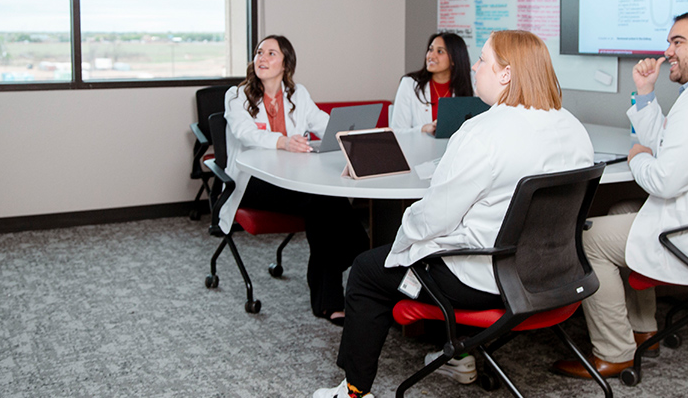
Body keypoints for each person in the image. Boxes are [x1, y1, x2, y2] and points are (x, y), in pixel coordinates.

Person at [315, 30, 594, 398]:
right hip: (552, 275)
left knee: (368, 270)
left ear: (506, 74)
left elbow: (434, 218)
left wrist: (401, 243)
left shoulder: (482, 132)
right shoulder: (573, 127)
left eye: (483, 60)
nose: (475, 68)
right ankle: (457, 354)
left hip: (483, 282)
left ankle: (353, 391)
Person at [551, 11, 688, 379]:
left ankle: (614, 352)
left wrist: (638, 158)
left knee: (587, 239)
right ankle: (642, 329)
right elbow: (669, 142)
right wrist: (646, 92)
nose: (667, 51)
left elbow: (665, 179)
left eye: (678, 42)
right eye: (669, 42)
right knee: (622, 207)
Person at [221, 35, 368, 324]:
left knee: (323, 202)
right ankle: (359, 254)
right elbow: (244, 133)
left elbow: (321, 122)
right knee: (322, 201)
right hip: (254, 182)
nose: (262, 58)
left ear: (286, 63)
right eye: (259, 52)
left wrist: (347, 133)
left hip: (291, 177)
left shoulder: (297, 93)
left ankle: (329, 295)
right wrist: (283, 142)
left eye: (271, 53)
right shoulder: (237, 96)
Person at [390, 32, 473, 135]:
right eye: (430, 50)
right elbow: (397, 132)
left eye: (440, 51)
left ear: (454, 59)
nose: (431, 56)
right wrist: (423, 129)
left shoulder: (470, 87)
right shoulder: (409, 84)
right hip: (418, 150)